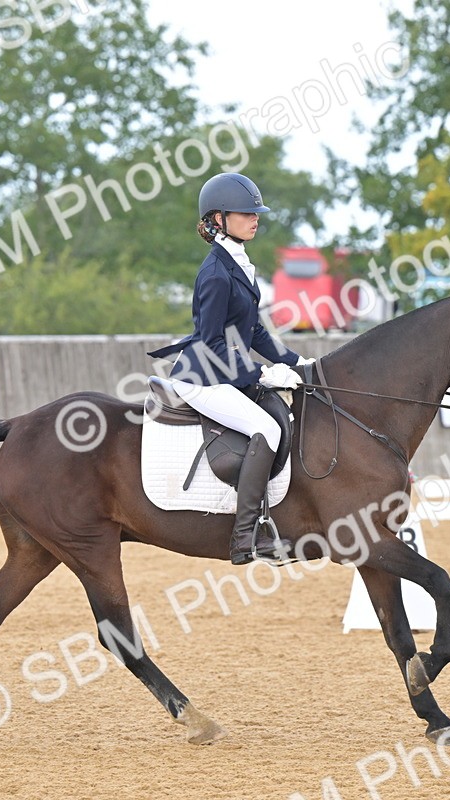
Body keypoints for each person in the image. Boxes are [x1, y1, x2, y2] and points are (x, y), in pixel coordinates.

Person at [148, 172, 309, 565]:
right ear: (218, 219)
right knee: (266, 428)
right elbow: (210, 342)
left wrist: (294, 361)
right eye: (245, 213)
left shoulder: (239, 264)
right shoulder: (216, 274)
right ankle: (246, 535)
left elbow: (252, 330)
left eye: (256, 213)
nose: (255, 218)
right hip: (201, 377)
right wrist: (260, 374)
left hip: (221, 369)